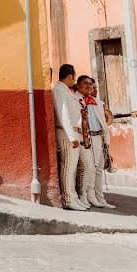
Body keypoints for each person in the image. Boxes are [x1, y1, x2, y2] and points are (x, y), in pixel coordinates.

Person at [75, 75, 116, 209]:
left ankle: (100, 197)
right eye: (87, 85)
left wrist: (106, 139)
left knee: (99, 169)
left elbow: (104, 122)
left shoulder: (98, 102)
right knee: (89, 168)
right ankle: (88, 196)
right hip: (87, 137)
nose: (92, 88)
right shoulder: (78, 100)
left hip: (98, 137)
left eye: (92, 86)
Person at [52, 64, 88, 210]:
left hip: (72, 133)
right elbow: (63, 115)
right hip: (67, 134)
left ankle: (73, 197)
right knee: (68, 167)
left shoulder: (66, 90)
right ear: (70, 76)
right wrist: (72, 137)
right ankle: (68, 199)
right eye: (73, 77)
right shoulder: (59, 90)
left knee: (72, 168)